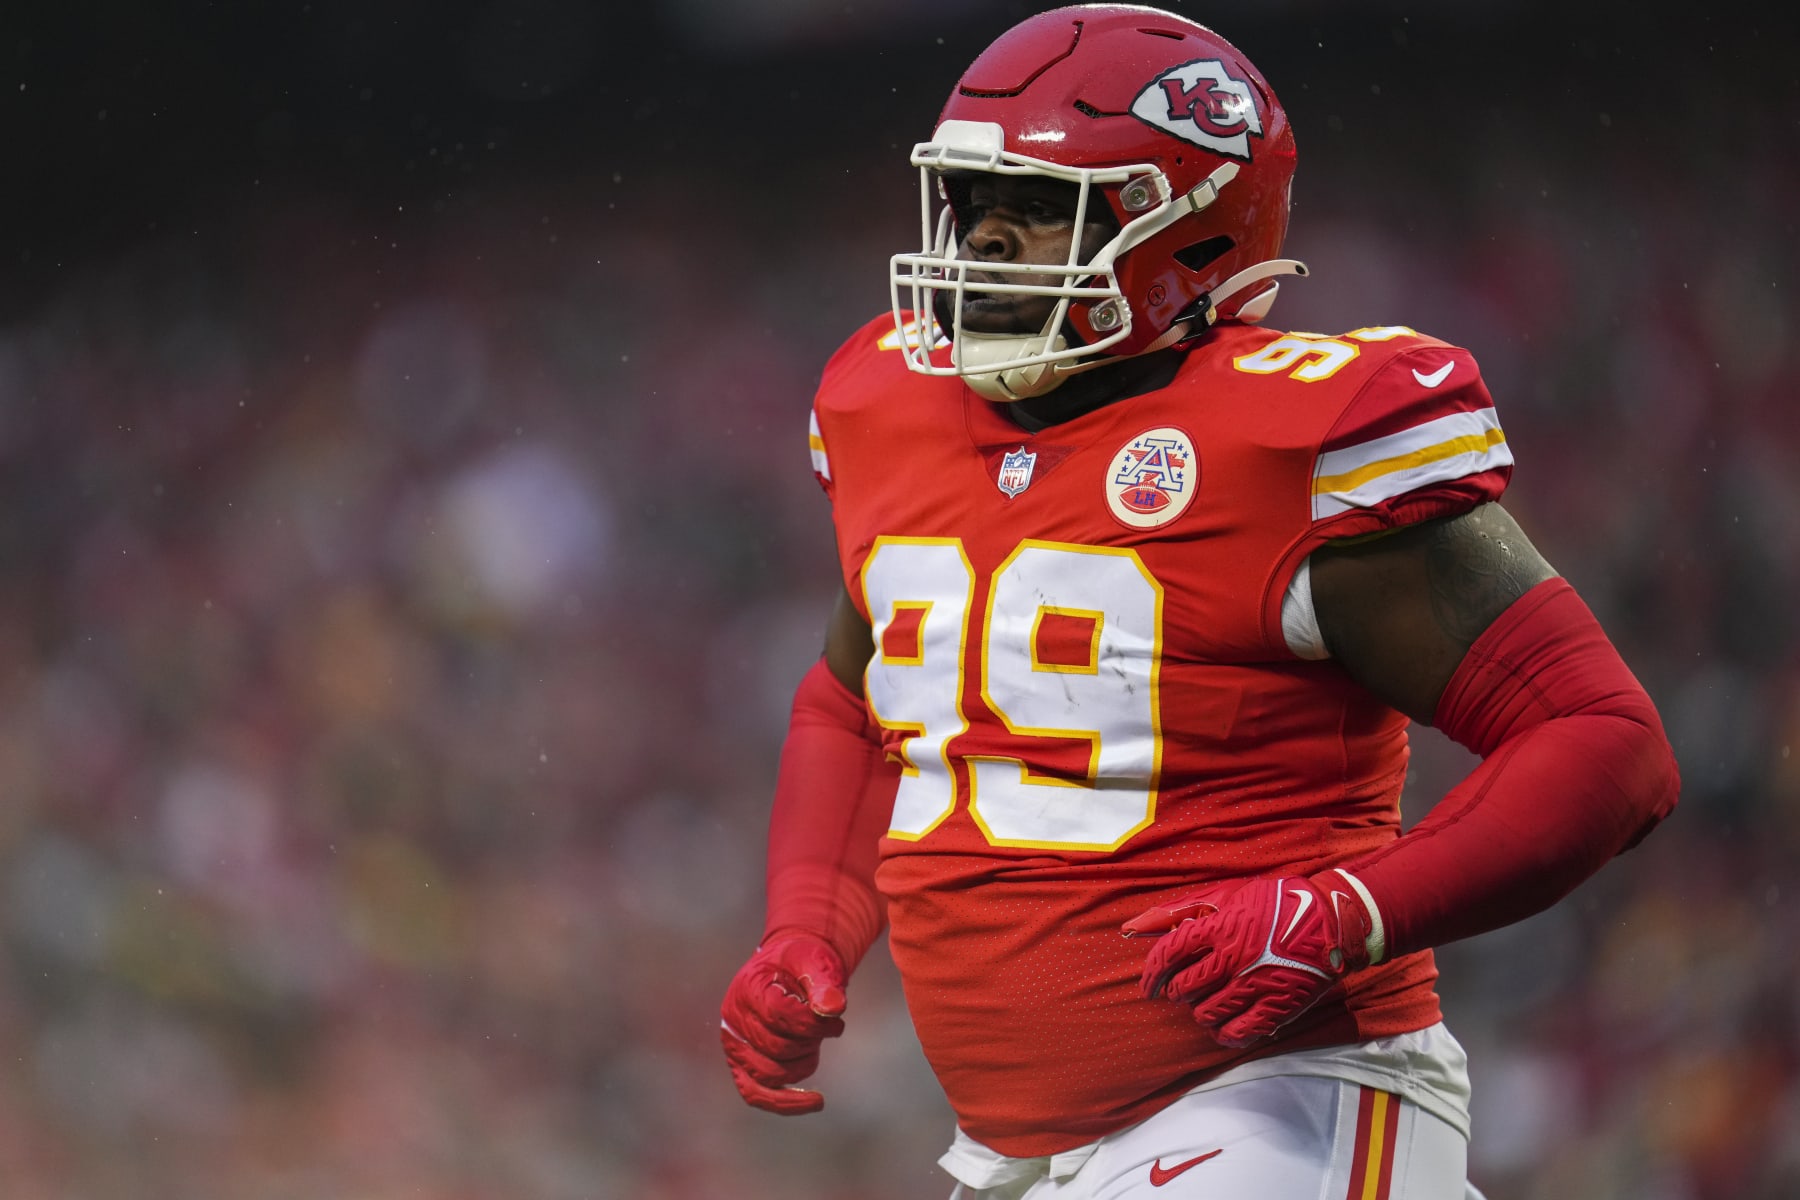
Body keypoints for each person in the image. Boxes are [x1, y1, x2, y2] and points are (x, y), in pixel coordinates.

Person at [719, 6, 1679, 1198]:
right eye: (973, 204)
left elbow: (1608, 743)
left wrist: (1346, 912)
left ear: (1189, 234)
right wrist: (805, 926)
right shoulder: (886, 406)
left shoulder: (1295, 438)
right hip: (1020, 1159)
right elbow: (862, 708)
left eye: (1043, 213)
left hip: (1284, 1107)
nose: (985, 246)